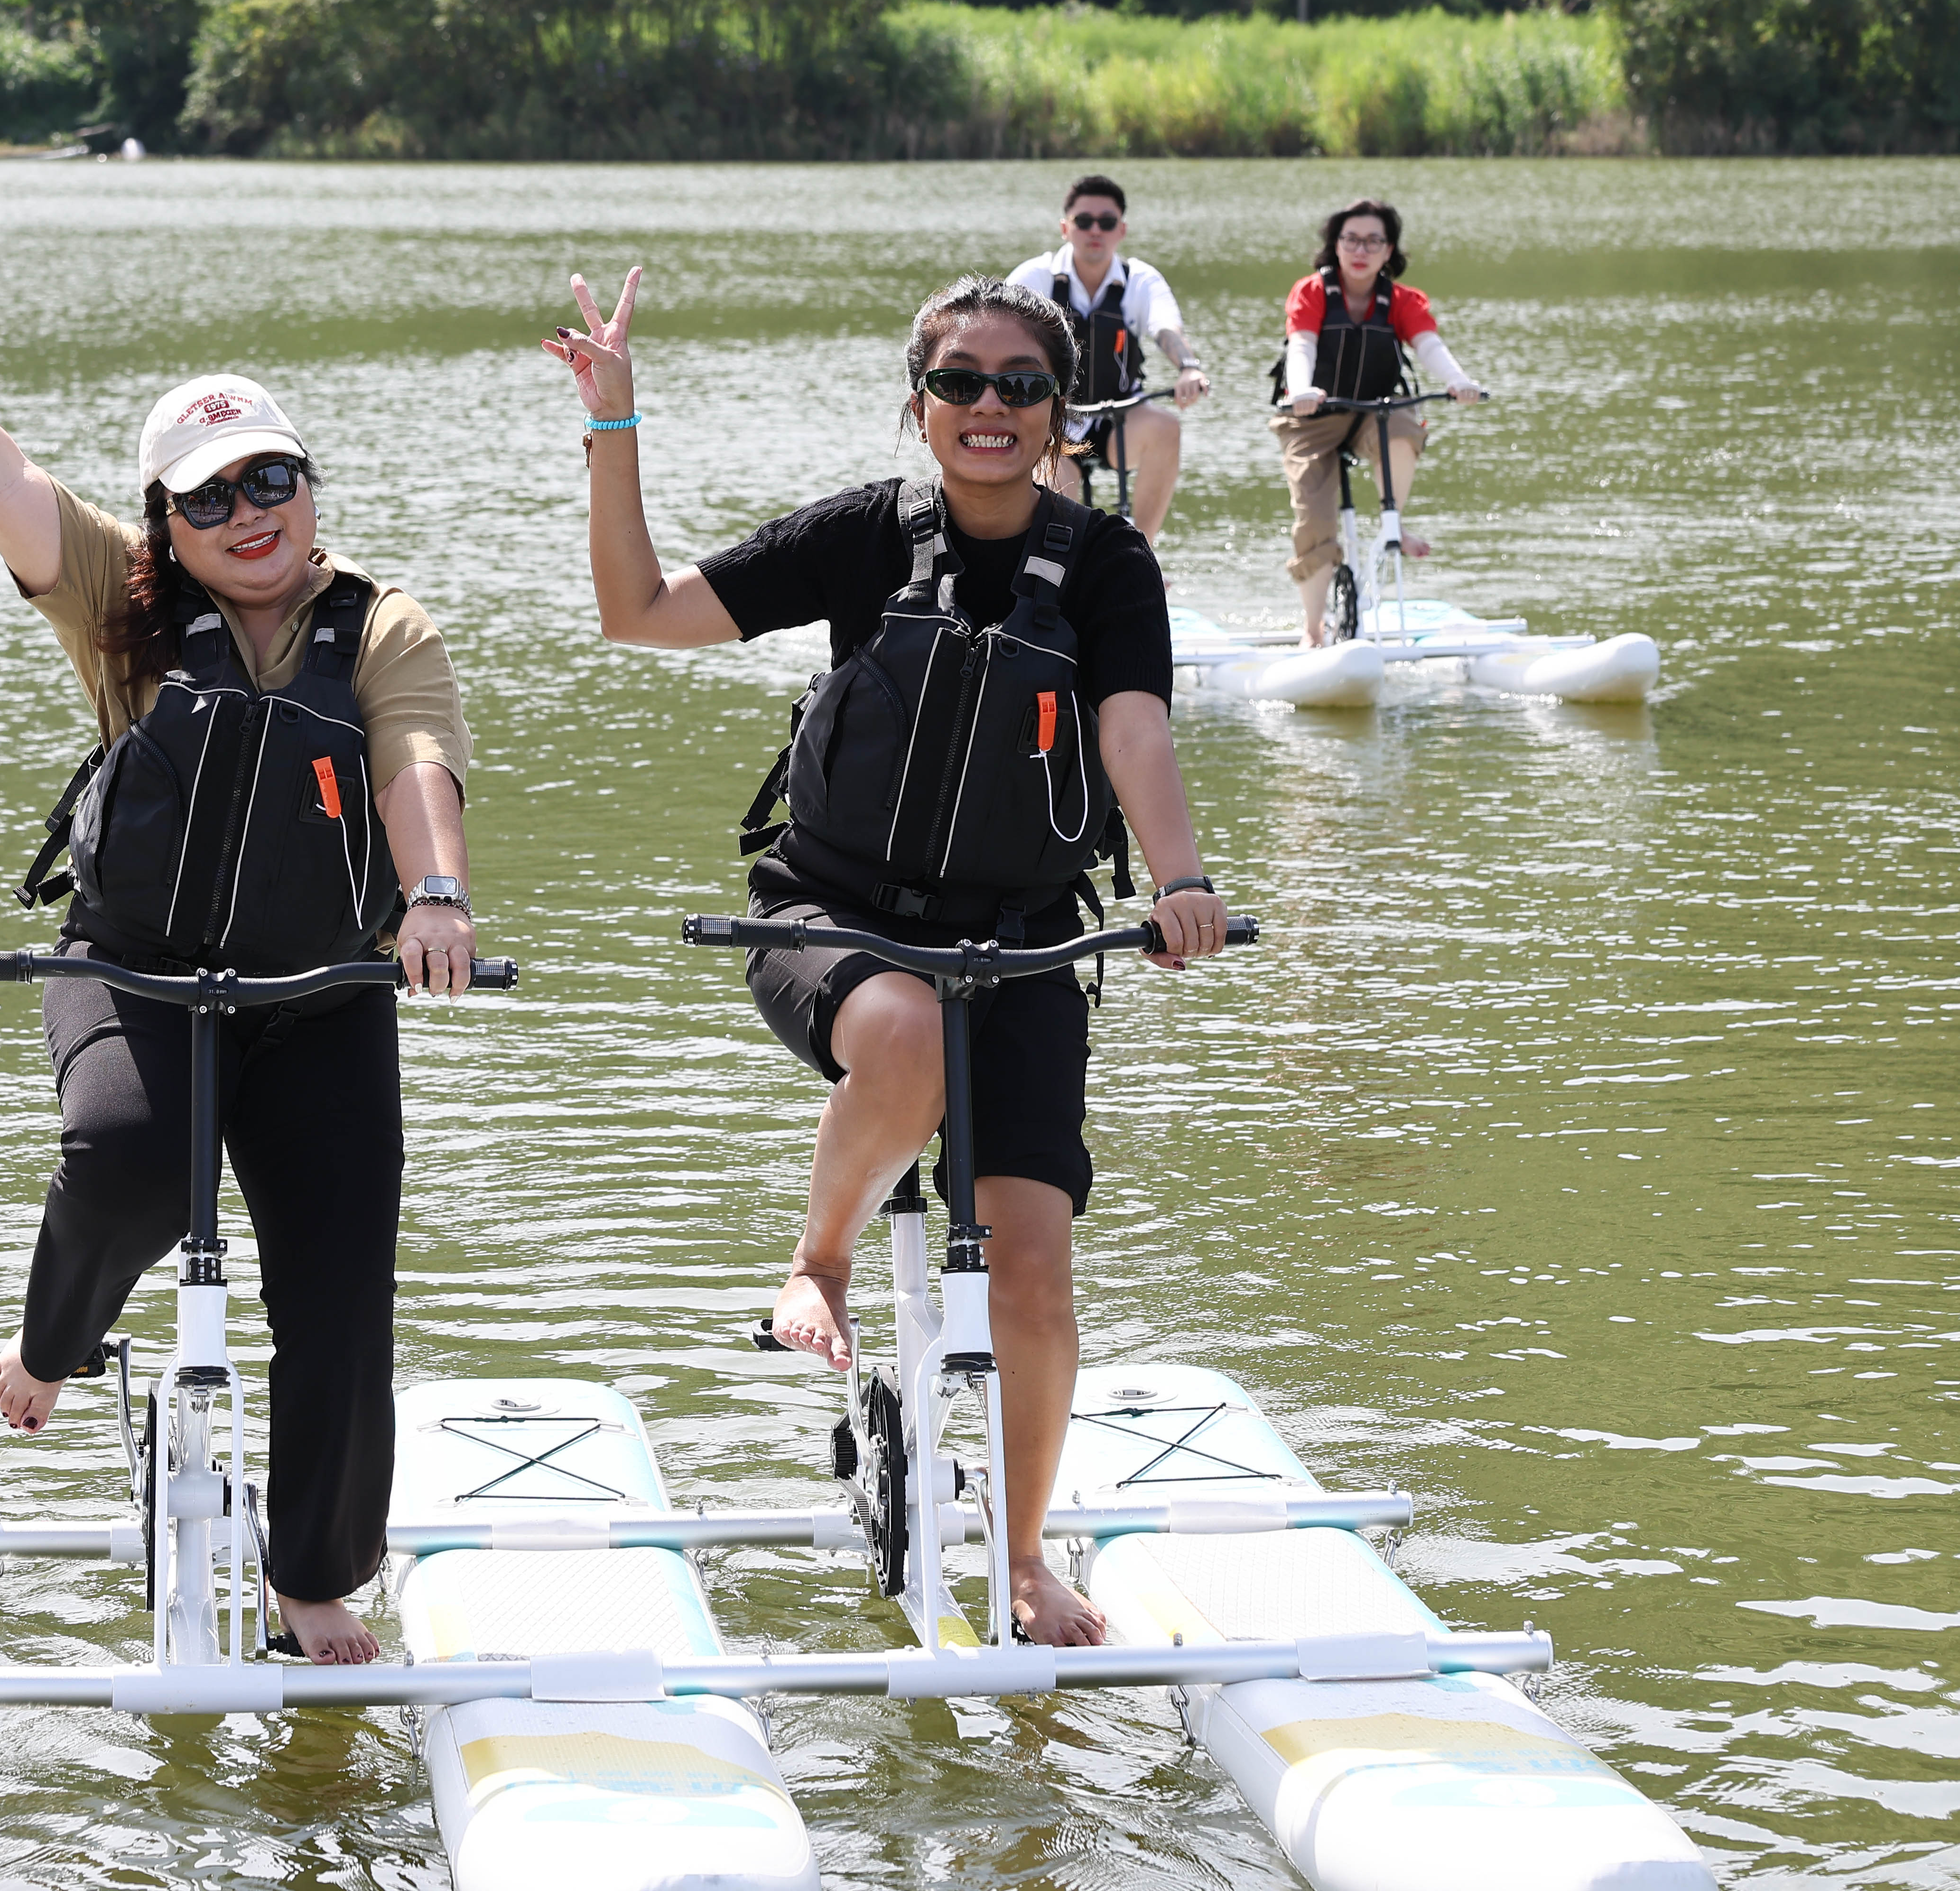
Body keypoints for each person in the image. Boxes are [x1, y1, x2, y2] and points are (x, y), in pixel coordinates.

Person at [0, 201, 478, 1667]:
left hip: (318, 992)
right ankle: (52, 1341)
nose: (248, 513)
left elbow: (415, 762)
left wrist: (433, 896)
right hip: (131, 971)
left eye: (271, 479)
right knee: (126, 1154)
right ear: (165, 521)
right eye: (210, 497)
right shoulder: (118, 600)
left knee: (341, 1296)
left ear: (309, 486)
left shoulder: (381, 626)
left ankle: (312, 1577)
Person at [547, 267, 1233, 1647]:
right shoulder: (864, 533)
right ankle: (820, 1262)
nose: (988, 405)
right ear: (918, 403)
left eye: (1019, 385)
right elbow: (639, 610)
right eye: (958, 381)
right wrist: (613, 425)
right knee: (906, 1033)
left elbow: (1134, 730)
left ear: (1059, 413)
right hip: (834, 918)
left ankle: (1023, 1556)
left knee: (1031, 1265)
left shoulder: (1108, 564)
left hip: (1025, 942)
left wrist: (1178, 878)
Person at [1272, 198, 1489, 645]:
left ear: (1389, 250)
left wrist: (1458, 381)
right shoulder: (1312, 292)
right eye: (1351, 240)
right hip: (1311, 419)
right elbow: (1302, 346)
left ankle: (1394, 521)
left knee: (1406, 426)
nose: (1361, 250)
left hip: (1376, 415)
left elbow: (1429, 346)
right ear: (1336, 244)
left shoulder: (1402, 301)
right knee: (1315, 521)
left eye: (1373, 241)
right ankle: (1313, 630)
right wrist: (1301, 390)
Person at [1004, 174, 1206, 545]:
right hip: (1054, 422)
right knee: (1055, 512)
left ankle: (1140, 554)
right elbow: (999, 337)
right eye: (1084, 221)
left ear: (1121, 230)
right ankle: (1061, 567)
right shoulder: (1035, 278)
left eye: (1107, 222)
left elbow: (1167, 328)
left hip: (1120, 419)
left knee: (1167, 429)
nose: (1095, 230)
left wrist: (1188, 368)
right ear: (1065, 228)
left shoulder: (1140, 280)